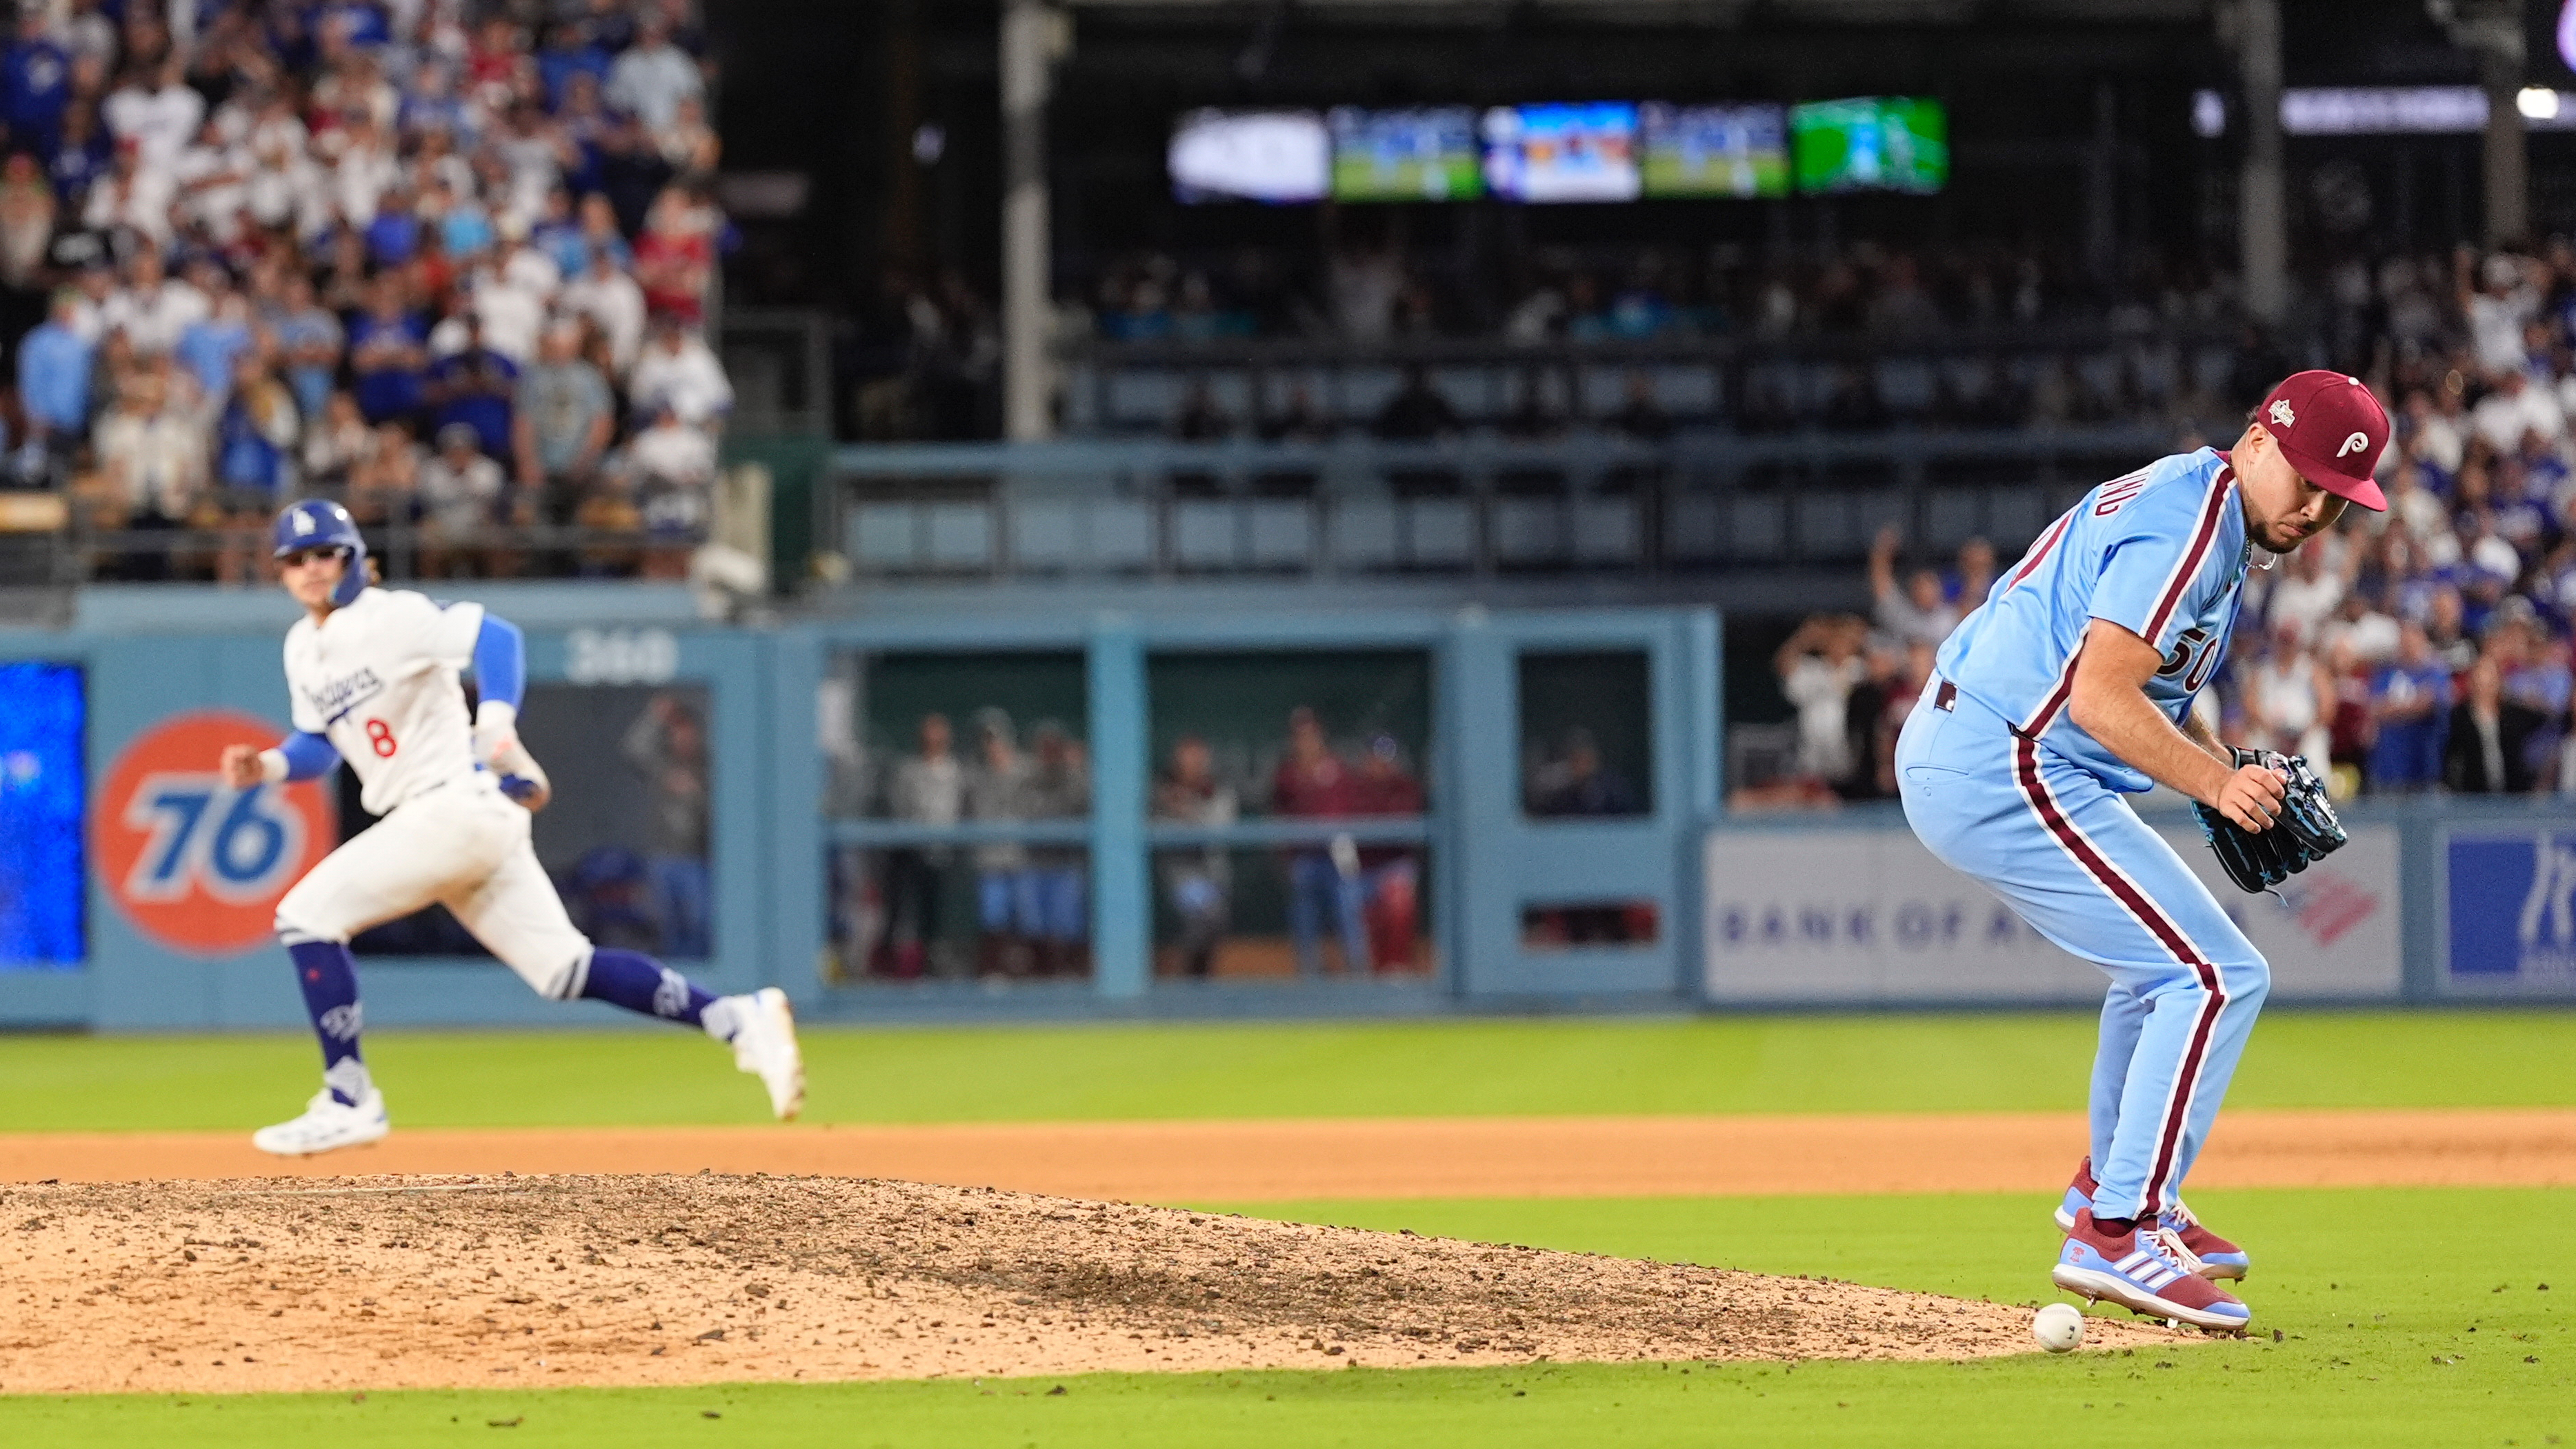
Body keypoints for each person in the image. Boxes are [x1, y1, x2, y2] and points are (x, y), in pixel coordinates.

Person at [1897, 370, 2393, 1332]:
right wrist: (2215, 785)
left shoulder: (2206, 510)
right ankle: (2119, 1233)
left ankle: (2108, 1192)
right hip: (2000, 754)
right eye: (2306, 482)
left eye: (2341, 497)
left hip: (2000, 747)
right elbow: (2097, 697)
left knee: (2158, 972)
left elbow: (2146, 685)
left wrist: (2215, 761)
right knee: (2211, 976)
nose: (2318, 509)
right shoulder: (2189, 525)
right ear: (2258, 440)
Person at [215, 500, 801, 1155]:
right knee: (565, 970)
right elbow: (322, 744)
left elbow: (499, 638)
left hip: (450, 806)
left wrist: (494, 722)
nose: (311, 568)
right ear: (281, 573)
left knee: (305, 917)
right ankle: (738, 1019)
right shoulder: (303, 647)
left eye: (324, 552)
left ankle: (350, 1096)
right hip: (459, 820)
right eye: (295, 560)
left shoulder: (392, 616)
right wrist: (267, 765)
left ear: (354, 556)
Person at [1272, 706, 1368, 977]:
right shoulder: (1287, 773)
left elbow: (1353, 809)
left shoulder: (1337, 767)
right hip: (1304, 856)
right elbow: (1279, 814)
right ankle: (1309, 975)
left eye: (1311, 735)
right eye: (1300, 736)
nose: (1306, 741)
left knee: (1348, 908)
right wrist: (1285, 858)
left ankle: (1358, 973)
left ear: (1320, 736)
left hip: (1338, 852)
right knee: (1304, 916)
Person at [882, 712, 965, 979]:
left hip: (946, 854)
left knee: (939, 916)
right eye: (930, 733)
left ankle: (937, 968)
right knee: (904, 914)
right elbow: (898, 807)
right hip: (912, 853)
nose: (934, 739)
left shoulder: (956, 771)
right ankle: (899, 971)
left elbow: (963, 808)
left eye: (939, 733)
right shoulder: (909, 770)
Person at [1151, 734, 1234, 979]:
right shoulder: (1161, 789)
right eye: (1187, 758)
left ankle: (1198, 977)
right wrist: (1177, 810)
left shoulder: (1218, 789)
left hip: (1213, 871)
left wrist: (1186, 811)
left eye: (1199, 758)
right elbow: (1157, 829)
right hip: (1179, 872)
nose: (1194, 763)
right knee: (1205, 917)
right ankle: (1191, 978)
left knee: (1213, 921)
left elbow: (1220, 828)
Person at [2443, 654, 2543, 794]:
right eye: (2479, 674)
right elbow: (2451, 755)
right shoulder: (2459, 716)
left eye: (2489, 674)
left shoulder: (2514, 714)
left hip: (2515, 794)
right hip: (2474, 796)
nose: (2483, 681)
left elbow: (2544, 721)